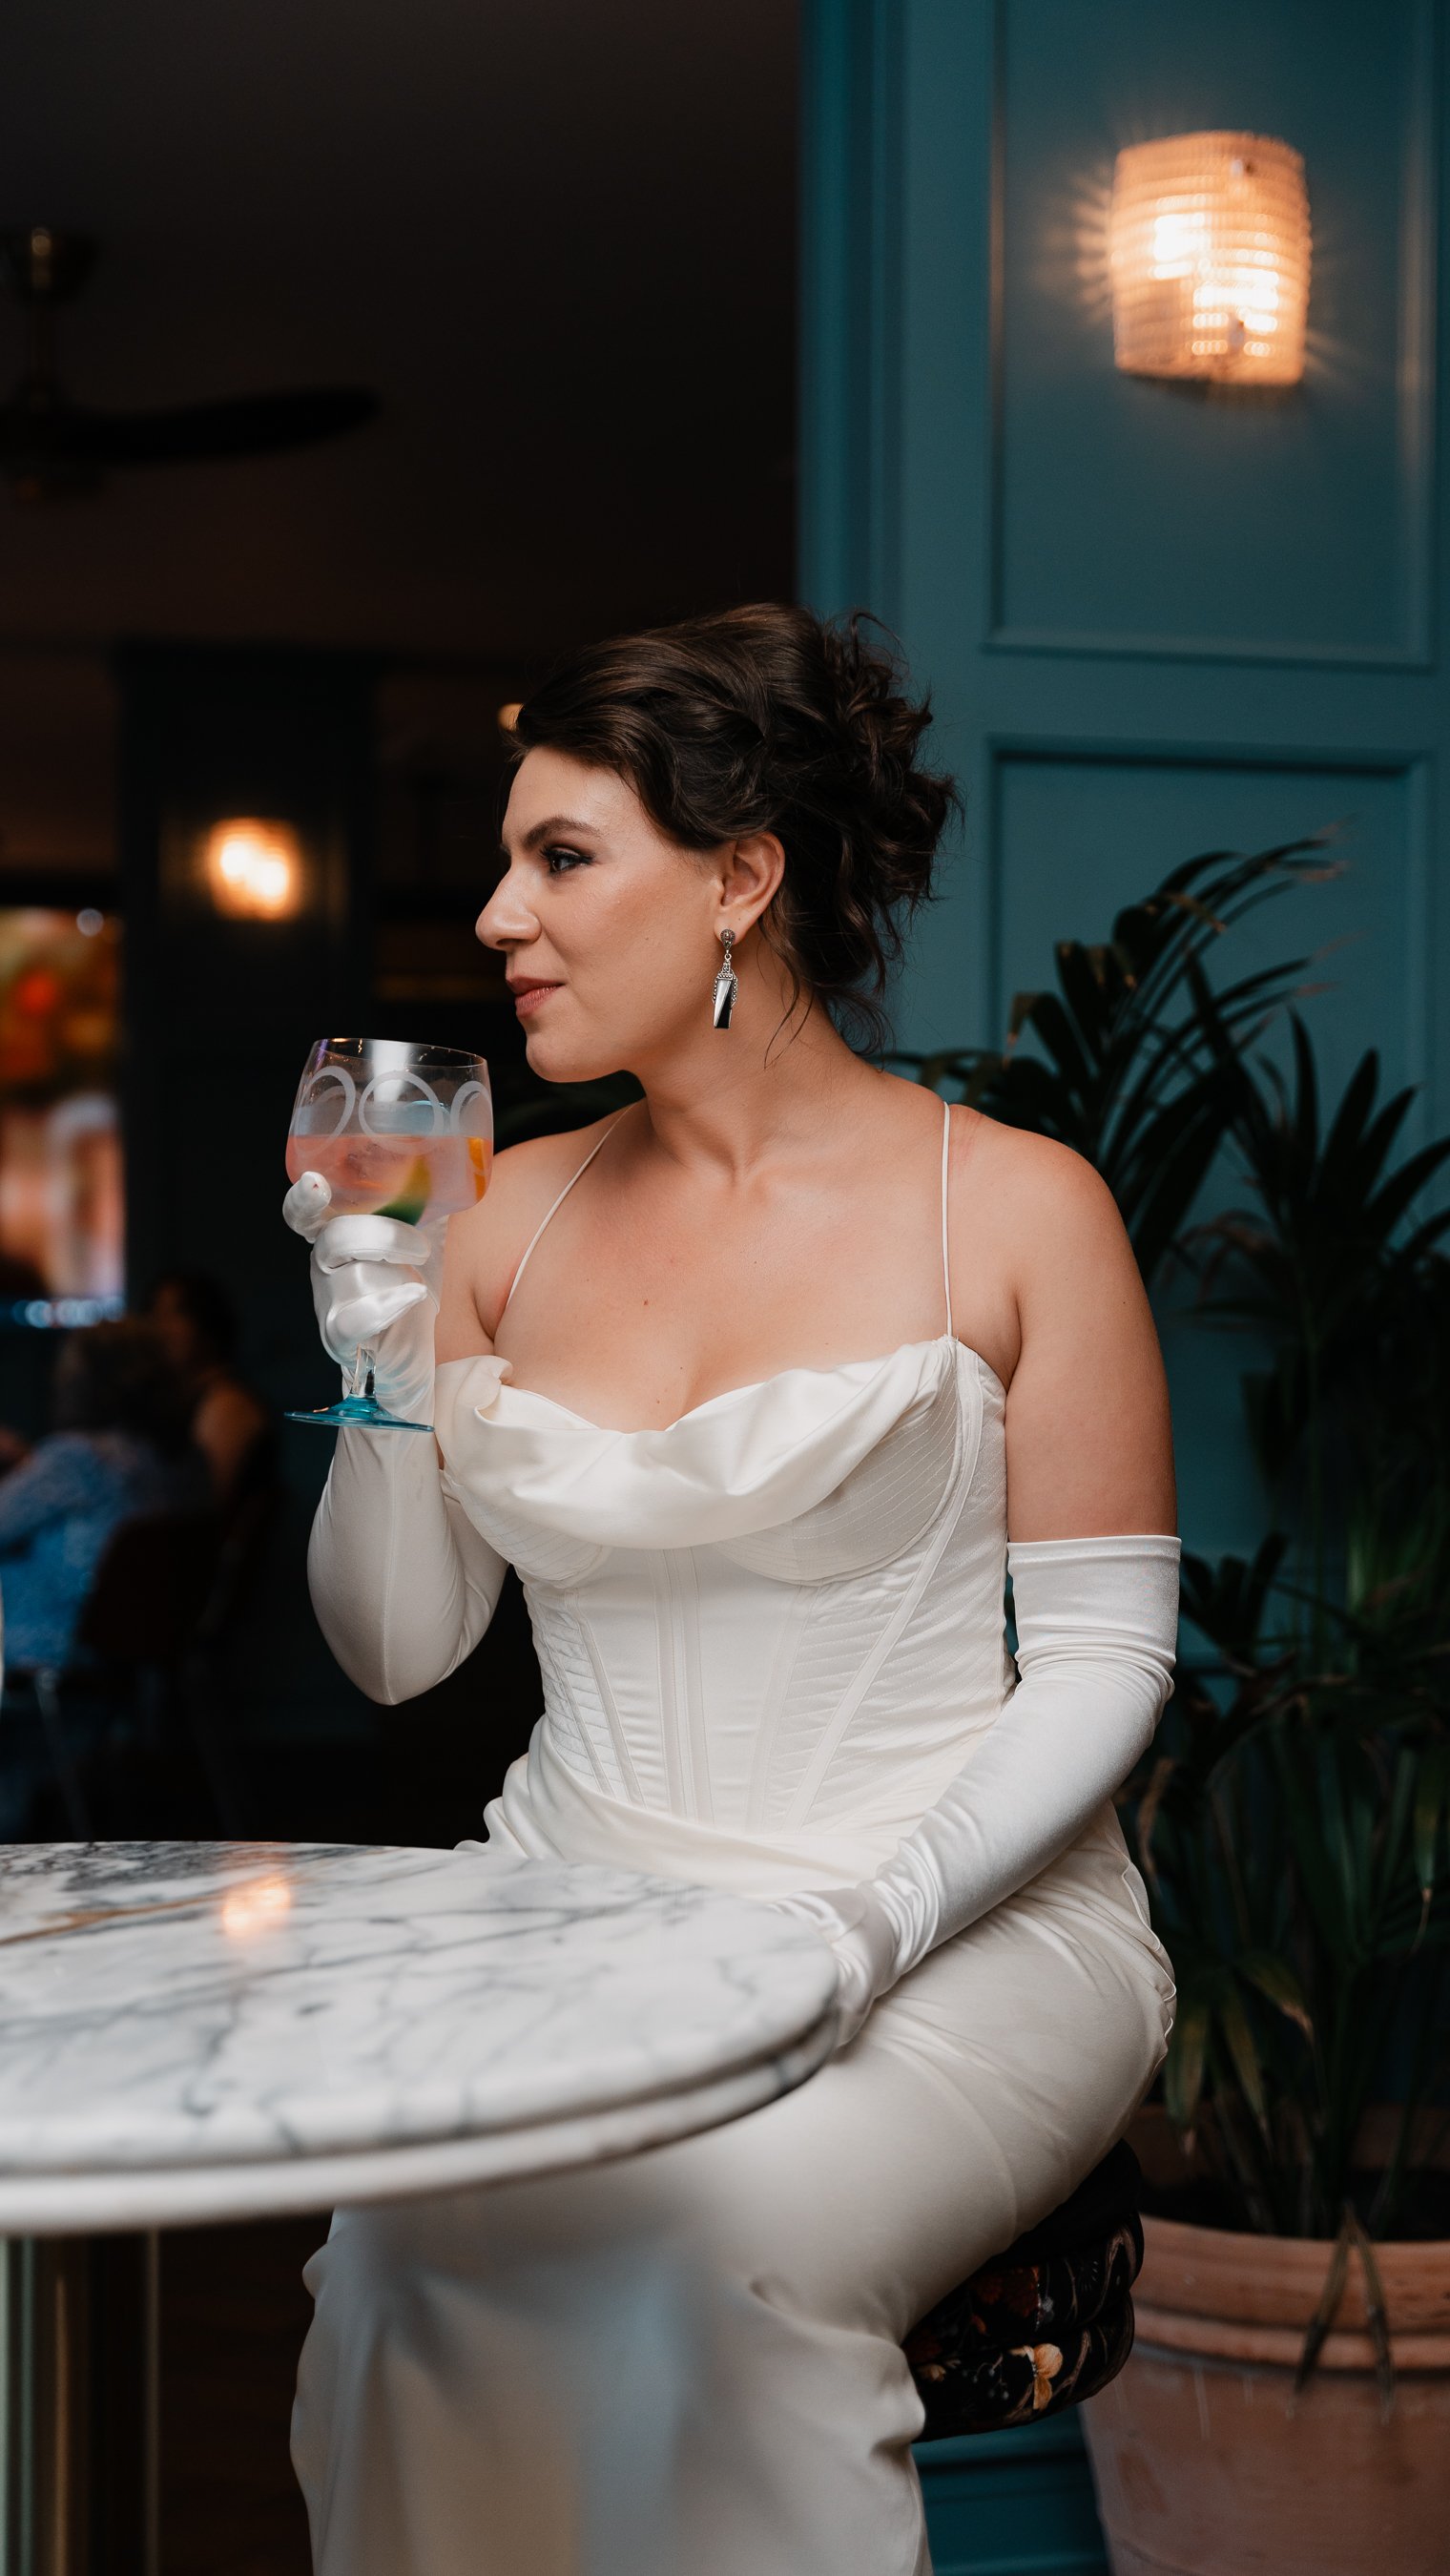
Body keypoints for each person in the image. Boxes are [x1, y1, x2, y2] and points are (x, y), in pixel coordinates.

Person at [284, 604, 1180, 2576]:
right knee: (404, 2260)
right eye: (507, 861)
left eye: (561, 856)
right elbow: (399, 1651)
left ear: (740, 879)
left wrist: (872, 1927)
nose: (499, 916)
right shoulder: (498, 1212)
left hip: (953, 1924)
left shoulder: (1017, 1209)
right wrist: (378, 1351)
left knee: (723, 2253)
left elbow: (1107, 1665)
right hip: (578, 1899)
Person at [0, 1317, 206, 1676]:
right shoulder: (185, 1459)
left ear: (92, 1382)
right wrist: (31, 1463)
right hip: (149, 1648)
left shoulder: (74, 1459)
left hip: (52, 1643)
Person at [147, 1271, 274, 1511]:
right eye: (155, 1315)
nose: (159, 1329)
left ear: (207, 1324)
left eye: (174, 1315)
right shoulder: (185, 1395)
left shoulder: (228, 1404)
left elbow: (204, 1506)